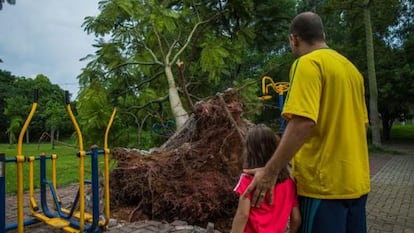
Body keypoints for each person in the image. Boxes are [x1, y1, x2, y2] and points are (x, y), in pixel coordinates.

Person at [242, 12, 370, 233]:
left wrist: (270, 172)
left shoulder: (307, 63)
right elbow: (363, 125)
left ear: (294, 39)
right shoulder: (351, 70)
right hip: (357, 184)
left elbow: (302, 123)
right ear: (323, 35)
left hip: (323, 188)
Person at [231, 124, 301, 233]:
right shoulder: (289, 182)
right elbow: (296, 218)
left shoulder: (248, 180)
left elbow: (242, 214)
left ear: (249, 151)